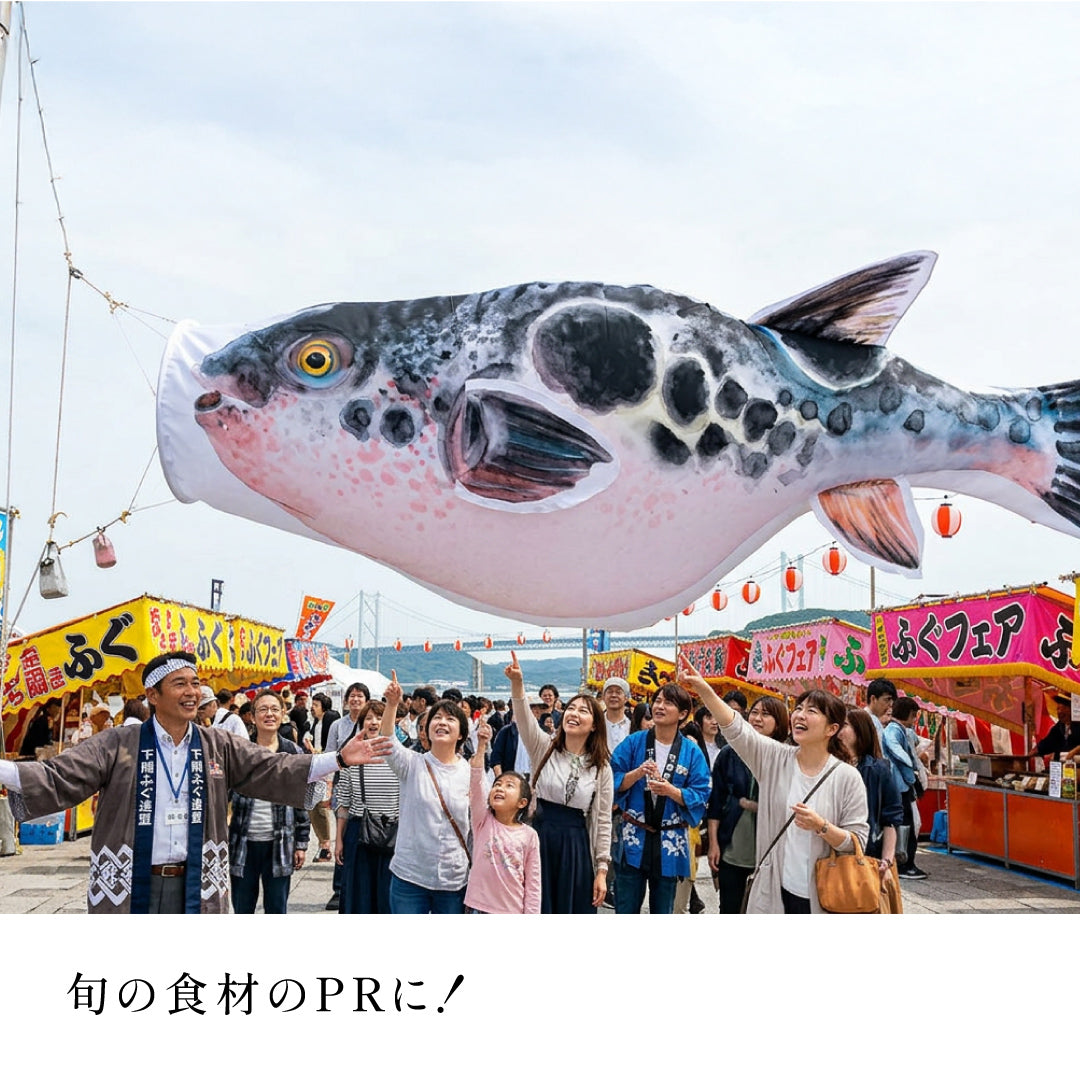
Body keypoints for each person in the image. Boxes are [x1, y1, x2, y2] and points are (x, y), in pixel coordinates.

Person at [0, 651, 392, 913]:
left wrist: (338, 758)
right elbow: (58, 775)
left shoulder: (217, 744)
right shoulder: (118, 744)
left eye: (195, 683)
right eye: (180, 684)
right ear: (152, 695)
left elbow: (272, 768)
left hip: (197, 882)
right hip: (131, 882)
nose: (193, 692)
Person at [679, 655, 868, 914]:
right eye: (799, 709)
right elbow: (736, 728)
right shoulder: (775, 758)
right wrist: (703, 688)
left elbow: (856, 841)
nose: (800, 715)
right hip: (774, 890)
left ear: (831, 729)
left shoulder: (847, 777)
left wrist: (821, 826)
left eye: (811, 711)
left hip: (823, 895)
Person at [506, 652, 613, 912]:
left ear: (595, 725)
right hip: (538, 838)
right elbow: (524, 718)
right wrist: (518, 684)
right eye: (571, 708)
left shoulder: (601, 768)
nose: (574, 714)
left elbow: (602, 820)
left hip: (575, 847)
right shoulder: (543, 747)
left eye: (583, 711)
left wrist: (601, 869)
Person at [610, 683, 711, 915]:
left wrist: (671, 791)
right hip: (634, 836)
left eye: (668, 702)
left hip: (670, 840)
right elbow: (611, 779)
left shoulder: (691, 751)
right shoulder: (633, 742)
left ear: (683, 714)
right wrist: (636, 774)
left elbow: (702, 793)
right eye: (657, 700)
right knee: (625, 908)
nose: (659, 706)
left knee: (663, 910)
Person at [379, 673, 472, 914]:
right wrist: (391, 704)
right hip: (410, 874)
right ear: (427, 730)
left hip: (453, 877)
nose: (442, 722)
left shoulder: (470, 772)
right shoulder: (412, 763)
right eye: (436, 718)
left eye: (450, 718)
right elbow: (386, 740)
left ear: (461, 733)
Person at [228, 690, 310, 914]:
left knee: (276, 908)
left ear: (283, 714)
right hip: (243, 843)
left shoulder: (292, 751)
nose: (269, 714)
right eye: (262, 709)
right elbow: (224, 796)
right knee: (242, 908)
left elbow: (301, 798)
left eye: (274, 709)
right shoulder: (240, 752)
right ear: (252, 716)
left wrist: (302, 842)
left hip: (280, 842)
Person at [707, 696, 790, 914]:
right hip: (733, 843)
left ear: (779, 722)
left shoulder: (788, 756)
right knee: (730, 907)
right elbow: (716, 801)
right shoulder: (729, 754)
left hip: (771, 848)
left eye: (766, 714)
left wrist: (756, 806)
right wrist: (713, 843)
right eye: (755, 712)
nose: (757, 718)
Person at [464, 716, 541, 914]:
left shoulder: (529, 835)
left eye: (509, 786)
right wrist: (481, 746)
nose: (500, 788)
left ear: (522, 802)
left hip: (512, 910)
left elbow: (533, 883)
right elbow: (476, 783)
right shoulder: (483, 821)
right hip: (478, 908)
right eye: (497, 784)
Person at [335, 700, 400, 914]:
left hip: (394, 833)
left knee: (387, 897)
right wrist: (338, 840)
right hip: (359, 832)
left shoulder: (399, 756)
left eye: (379, 717)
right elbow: (343, 803)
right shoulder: (351, 755)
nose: (373, 722)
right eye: (368, 718)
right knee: (359, 898)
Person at [838, 707, 901, 881]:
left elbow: (890, 819)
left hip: (867, 854)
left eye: (844, 725)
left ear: (860, 731)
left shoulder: (877, 770)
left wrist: (886, 860)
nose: (837, 731)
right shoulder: (829, 765)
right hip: (831, 853)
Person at [324, 682, 371, 910]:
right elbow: (329, 755)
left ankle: (358, 884)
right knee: (342, 833)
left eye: (359, 696)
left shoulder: (373, 724)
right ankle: (339, 888)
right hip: (343, 782)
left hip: (369, 786)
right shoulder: (337, 725)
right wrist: (328, 786)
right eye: (352, 696)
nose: (355, 700)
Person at [882, 697, 928, 880]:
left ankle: (906, 862)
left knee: (908, 824)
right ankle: (905, 864)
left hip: (902, 785)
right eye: (914, 714)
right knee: (905, 826)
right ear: (909, 714)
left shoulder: (902, 730)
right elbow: (897, 751)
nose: (915, 718)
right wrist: (911, 771)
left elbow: (915, 743)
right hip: (900, 786)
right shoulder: (893, 730)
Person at [866, 678, 897, 743]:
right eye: (887, 699)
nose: (891, 704)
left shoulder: (874, 720)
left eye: (892, 700)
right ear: (873, 699)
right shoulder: (869, 720)